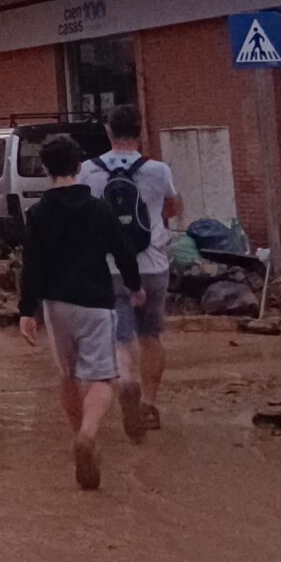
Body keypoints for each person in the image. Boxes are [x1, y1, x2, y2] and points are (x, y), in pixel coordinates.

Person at [17, 134, 144, 490]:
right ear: (78, 167)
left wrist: (26, 311)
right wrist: (134, 286)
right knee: (102, 378)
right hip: (96, 302)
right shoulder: (99, 208)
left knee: (68, 376)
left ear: (45, 169)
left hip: (56, 305)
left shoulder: (38, 213)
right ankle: (88, 434)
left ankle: (81, 439)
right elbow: (123, 252)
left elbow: (32, 265)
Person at [81, 105, 179, 430]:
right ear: (140, 131)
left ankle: (125, 380)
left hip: (109, 268)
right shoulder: (158, 170)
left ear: (108, 131)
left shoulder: (87, 170)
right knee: (151, 334)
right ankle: (149, 404)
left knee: (120, 338)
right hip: (152, 265)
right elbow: (173, 208)